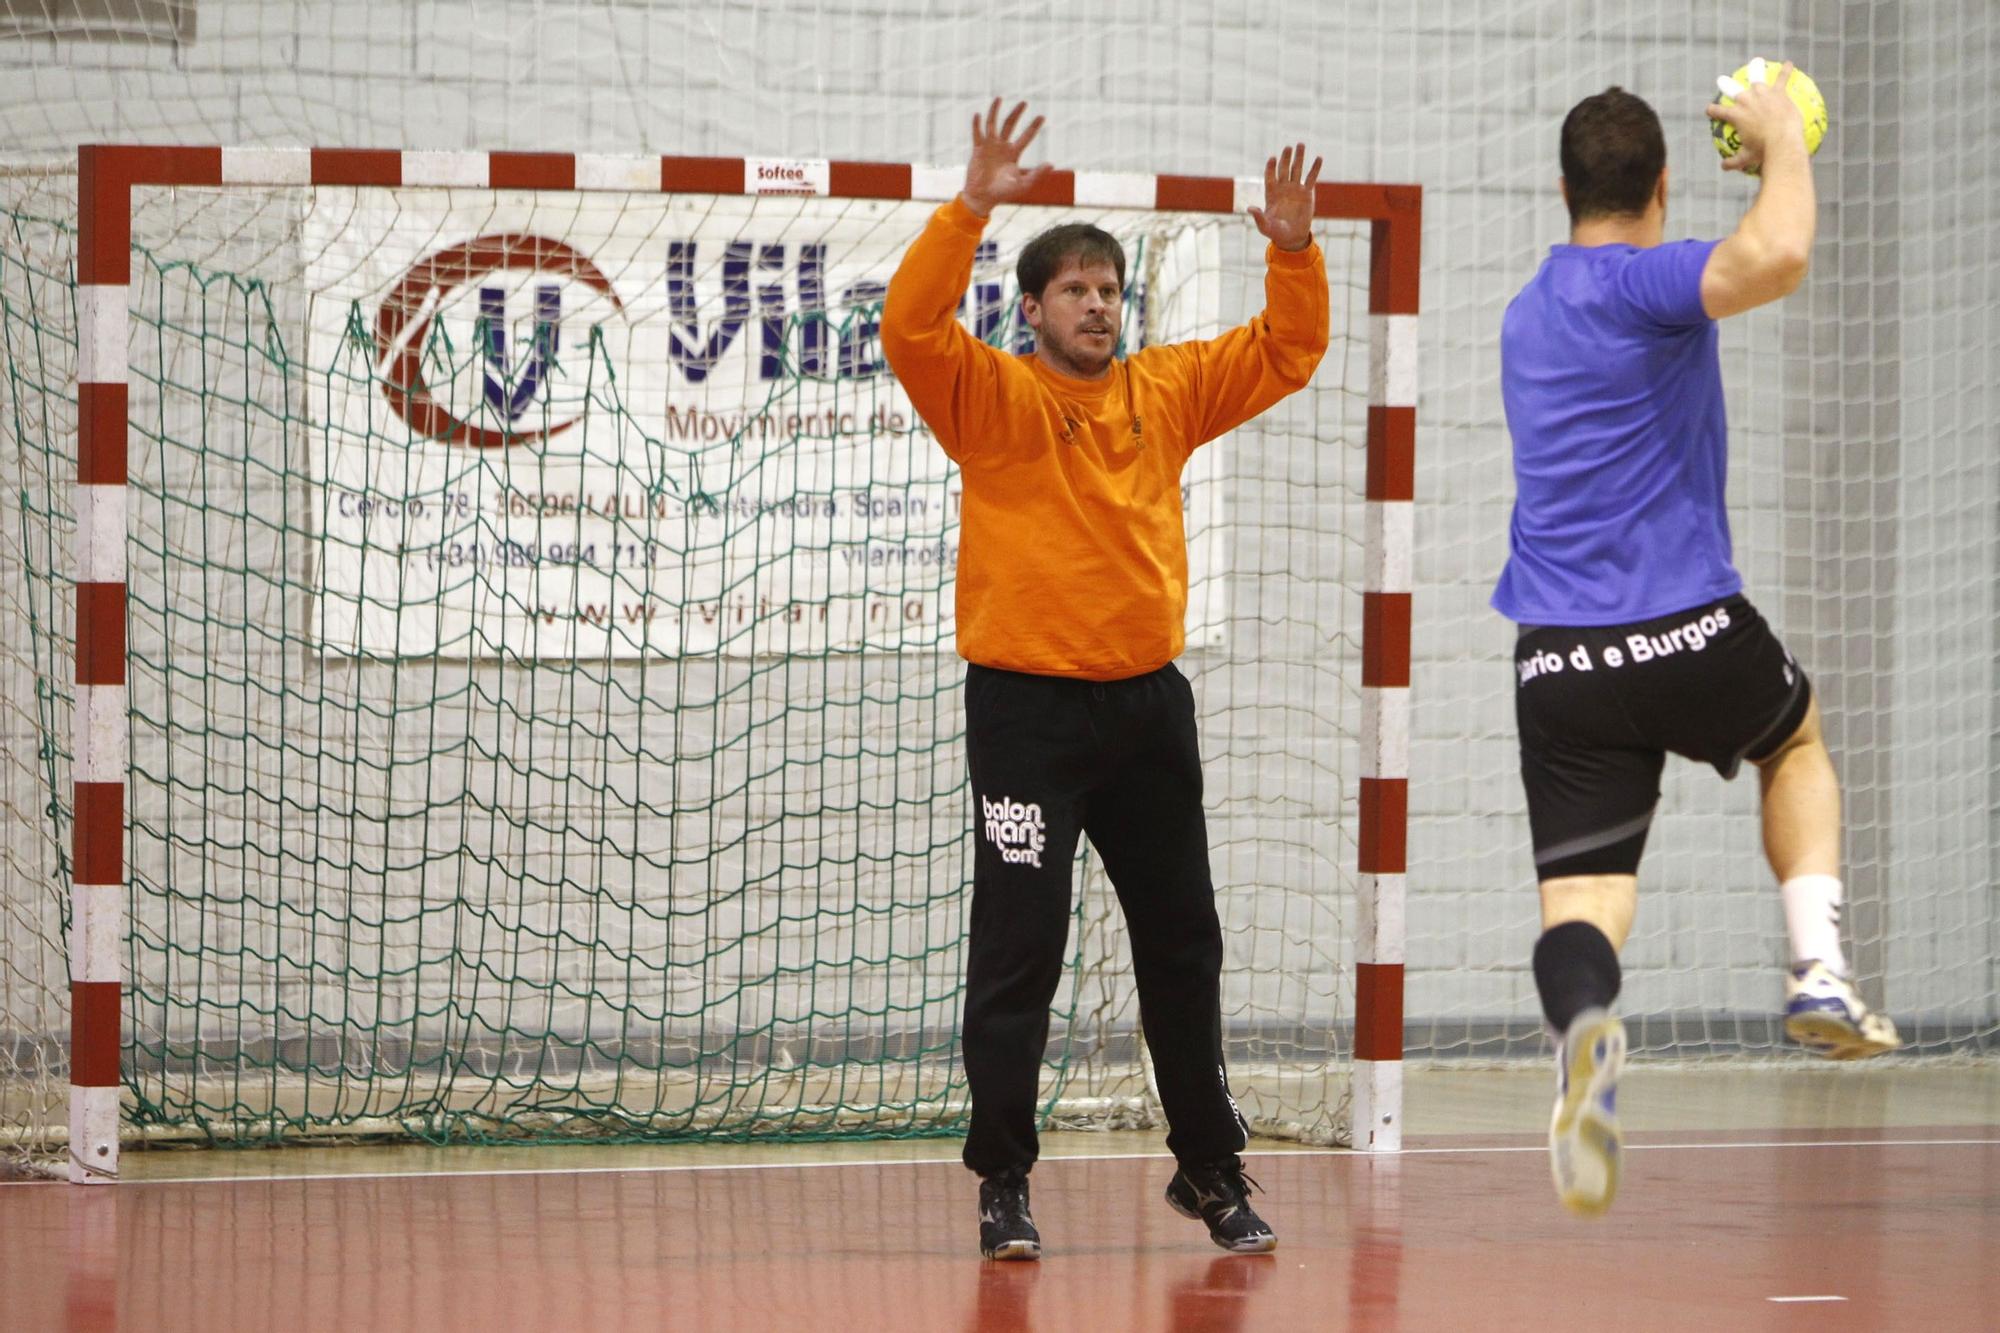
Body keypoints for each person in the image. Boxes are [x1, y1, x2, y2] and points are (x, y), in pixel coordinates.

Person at [882, 99, 1329, 1260]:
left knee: (1182, 940)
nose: (1096, 304)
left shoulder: (1163, 392)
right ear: (1029, 309)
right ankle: (1003, 1180)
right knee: (1017, 946)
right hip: (1025, 717)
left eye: (1108, 288)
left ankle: (1208, 1168)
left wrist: (1290, 249)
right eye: (1072, 289)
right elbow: (907, 328)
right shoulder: (990, 397)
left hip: (1145, 713)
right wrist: (970, 205)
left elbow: (1287, 351)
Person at [1494, 66, 1903, 1219]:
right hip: (1683, 625)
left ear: (1562, 186)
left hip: (1557, 659)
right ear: (1664, 183)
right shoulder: (1644, 283)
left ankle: (1583, 1037)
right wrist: (1780, 141)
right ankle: (1817, 967)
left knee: (1581, 907)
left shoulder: (1529, 307)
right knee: (1795, 740)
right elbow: (1774, 255)